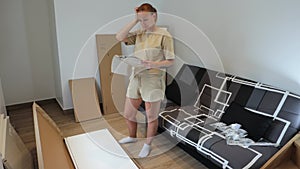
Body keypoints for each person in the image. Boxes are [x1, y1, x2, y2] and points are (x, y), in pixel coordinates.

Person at [116, 3, 175, 158]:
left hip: (153, 78)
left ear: (154, 16)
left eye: (145, 19)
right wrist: (135, 20)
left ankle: (147, 145)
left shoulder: (164, 35)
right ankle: (132, 137)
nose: (143, 23)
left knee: (151, 116)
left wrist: (153, 64)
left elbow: (170, 60)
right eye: (141, 20)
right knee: (128, 113)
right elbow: (119, 37)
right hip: (137, 76)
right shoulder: (140, 33)